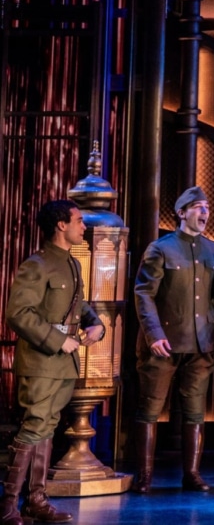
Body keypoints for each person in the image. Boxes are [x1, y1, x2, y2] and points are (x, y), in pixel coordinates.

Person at [2, 200, 104, 524]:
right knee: (33, 427)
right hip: (41, 361)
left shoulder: (72, 265)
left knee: (46, 429)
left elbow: (79, 304)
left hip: (63, 364)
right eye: (78, 220)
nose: (83, 226)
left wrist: (96, 323)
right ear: (61, 224)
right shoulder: (37, 264)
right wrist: (60, 340)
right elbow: (17, 314)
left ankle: (36, 501)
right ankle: (7, 505)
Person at [131, 186, 214, 493]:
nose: (204, 213)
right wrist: (154, 334)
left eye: (207, 208)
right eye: (198, 207)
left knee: (195, 411)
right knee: (150, 408)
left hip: (202, 346)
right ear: (181, 212)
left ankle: (192, 474)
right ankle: (145, 477)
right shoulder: (161, 248)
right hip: (164, 345)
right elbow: (144, 294)